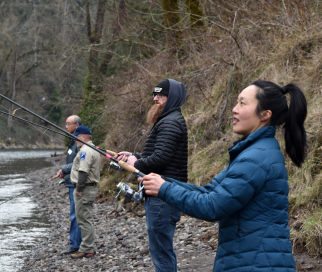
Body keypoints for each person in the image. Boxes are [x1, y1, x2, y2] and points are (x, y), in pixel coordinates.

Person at [141, 80, 307, 271]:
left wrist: (164, 189)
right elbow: (210, 191)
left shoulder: (257, 157)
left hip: (256, 263)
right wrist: (164, 182)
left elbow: (213, 206)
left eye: (242, 103)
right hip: (250, 259)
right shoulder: (252, 152)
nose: (234, 110)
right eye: (236, 103)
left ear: (265, 115)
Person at [116, 79, 188, 271]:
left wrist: (135, 164)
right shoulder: (167, 120)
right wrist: (133, 156)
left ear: (172, 98)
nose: (155, 99)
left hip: (162, 196)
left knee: (161, 252)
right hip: (161, 194)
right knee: (161, 249)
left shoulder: (171, 122)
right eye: (154, 95)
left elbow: (161, 159)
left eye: (161, 95)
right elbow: (157, 155)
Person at [70, 125, 100, 259]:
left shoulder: (86, 150)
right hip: (88, 188)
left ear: (83, 137)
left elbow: (83, 171)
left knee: (84, 219)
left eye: (76, 137)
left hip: (85, 188)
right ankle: (87, 246)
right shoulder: (91, 148)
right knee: (85, 218)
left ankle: (87, 249)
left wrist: (79, 189)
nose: (75, 140)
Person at [56, 115, 82, 255]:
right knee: (77, 214)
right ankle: (79, 243)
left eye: (68, 124)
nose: (66, 126)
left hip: (77, 184)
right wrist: (65, 173)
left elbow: (78, 163)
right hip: (71, 181)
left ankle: (75, 245)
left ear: (77, 125)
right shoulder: (73, 142)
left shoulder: (80, 143)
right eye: (65, 123)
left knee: (75, 215)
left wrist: (63, 169)